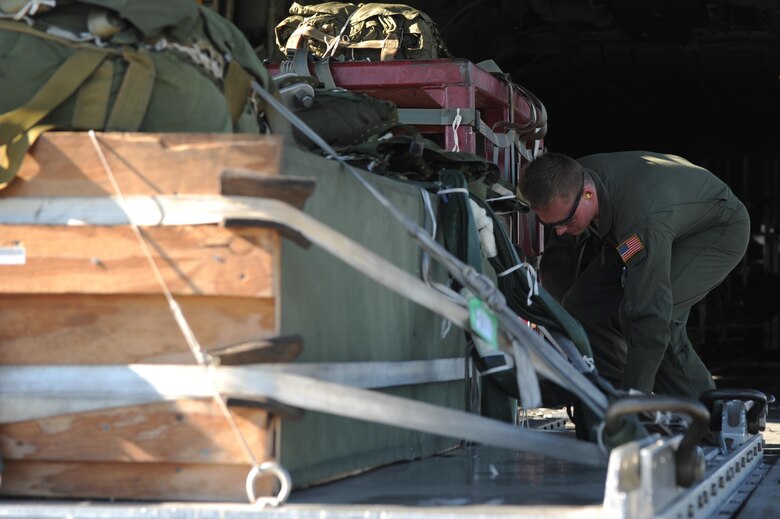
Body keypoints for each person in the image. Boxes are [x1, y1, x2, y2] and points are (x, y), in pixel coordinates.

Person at [518, 151, 750, 399]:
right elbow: (561, 263)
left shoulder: (640, 222)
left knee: (656, 318)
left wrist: (634, 399)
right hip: (661, 220)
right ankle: (609, 398)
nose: (560, 231)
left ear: (588, 194)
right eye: (552, 225)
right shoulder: (570, 180)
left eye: (567, 220)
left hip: (715, 230)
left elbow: (650, 316)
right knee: (584, 304)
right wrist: (561, 320)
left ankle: (705, 411)